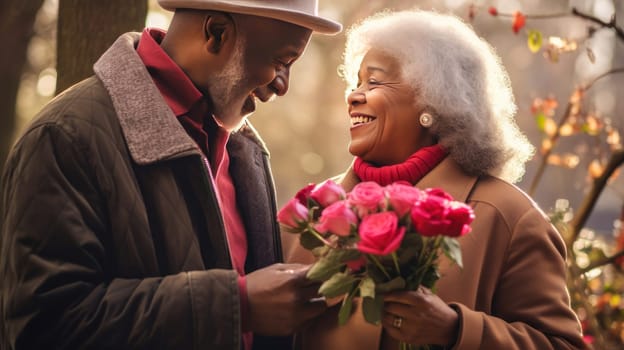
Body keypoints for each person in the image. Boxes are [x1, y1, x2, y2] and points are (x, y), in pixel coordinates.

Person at [0, 1, 341, 349]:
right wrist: (237, 305)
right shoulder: (64, 137)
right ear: (217, 33)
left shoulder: (244, 149)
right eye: (282, 62)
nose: (283, 86)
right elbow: (44, 327)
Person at [285, 9, 588, 350]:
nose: (353, 95)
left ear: (434, 100)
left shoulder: (510, 218)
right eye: (356, 82)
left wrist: (456, 330)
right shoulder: (313, 213)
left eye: (375, 81)